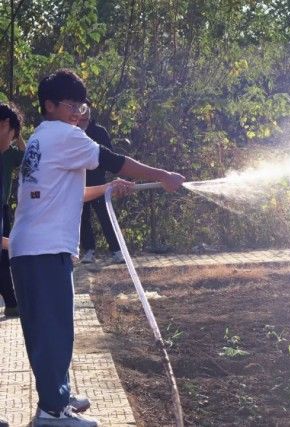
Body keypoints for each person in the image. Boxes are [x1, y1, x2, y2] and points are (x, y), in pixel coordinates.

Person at [9, 69, 185, 427]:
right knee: (53, 330)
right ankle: (53, 411)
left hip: (30, 248)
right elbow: (112, 159)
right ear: (50, 105)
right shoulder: (64, 135)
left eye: (80, 104)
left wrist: (106, 189)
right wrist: (162, 175)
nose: (77, 112)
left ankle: (57, 393)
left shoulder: (42, 138)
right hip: (45, 250)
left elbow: (69, 192)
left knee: (47, 327)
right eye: (70, 104)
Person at [77, 107, 124, 264]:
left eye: (85, 117)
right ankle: (89, 250)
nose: (83, 120)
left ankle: (116, 250)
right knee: (83, 219)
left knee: (106, 217)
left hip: (98, 181)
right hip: (79, 183)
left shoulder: (99, 132)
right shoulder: (73, 132)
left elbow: (109, 155)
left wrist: (98, 170)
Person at [0, 102, 24, 318]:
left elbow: (30, 160)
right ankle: (12, 302)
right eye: (13, 133)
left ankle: (12, 302)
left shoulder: (9, 153)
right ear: (5, 125)